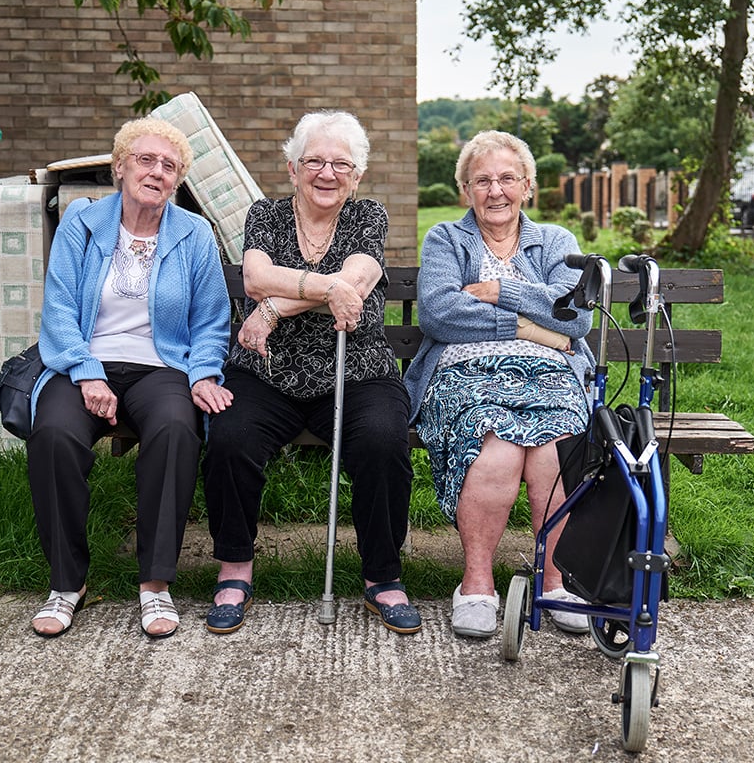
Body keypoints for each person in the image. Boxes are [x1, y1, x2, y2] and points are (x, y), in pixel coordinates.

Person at [201, 111, 420, 635]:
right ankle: (234, 570)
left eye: (340, 163)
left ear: (357, 174)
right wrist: (325, 290)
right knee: (231, 438)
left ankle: (383, 578)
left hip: (357, 369)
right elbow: (256, 276)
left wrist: (276, 307)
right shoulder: (266, 216)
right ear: (293, 168)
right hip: (269, 371)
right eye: (314, 161)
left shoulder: (368, 215)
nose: (327, 173)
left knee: (383, 440)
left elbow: (358, 279)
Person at [27, 116, 233, 639]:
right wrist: (86, 372)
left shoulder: (194, 233)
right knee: (53, 434)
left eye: (169, 166)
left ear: (177, 180)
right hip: (81, 362)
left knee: (174, 429)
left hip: (161, 365)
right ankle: (66, 583)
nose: (157, 172)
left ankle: (156, 584)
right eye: (146, 160)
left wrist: (204, 373)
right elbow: (59, 308)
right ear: (120, 167)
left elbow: (211, 320)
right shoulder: (84, 221)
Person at [403, 130, 598, 639]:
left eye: (507, 179)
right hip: (465, 373)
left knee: (555, 451)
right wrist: (530, 327)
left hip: (550, 372)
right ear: (466, 189)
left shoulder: (555, 241)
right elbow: (440, 314)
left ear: (527, 186)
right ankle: (477, 583)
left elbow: (574, 317)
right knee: (497, 450)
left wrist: (496, 290)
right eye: (482, 180)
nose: (496, 191)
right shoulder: (446, 238)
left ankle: (556, 581)